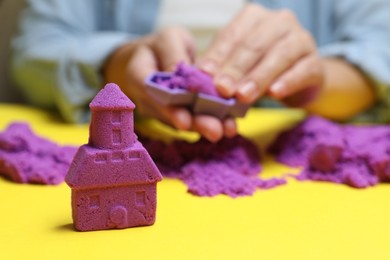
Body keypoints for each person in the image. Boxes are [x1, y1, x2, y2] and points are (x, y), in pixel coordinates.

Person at [10, 0, 390, 142]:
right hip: (142, 137)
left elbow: (382, 45)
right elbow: (33, 49)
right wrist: (117, 61)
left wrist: (316, 79)